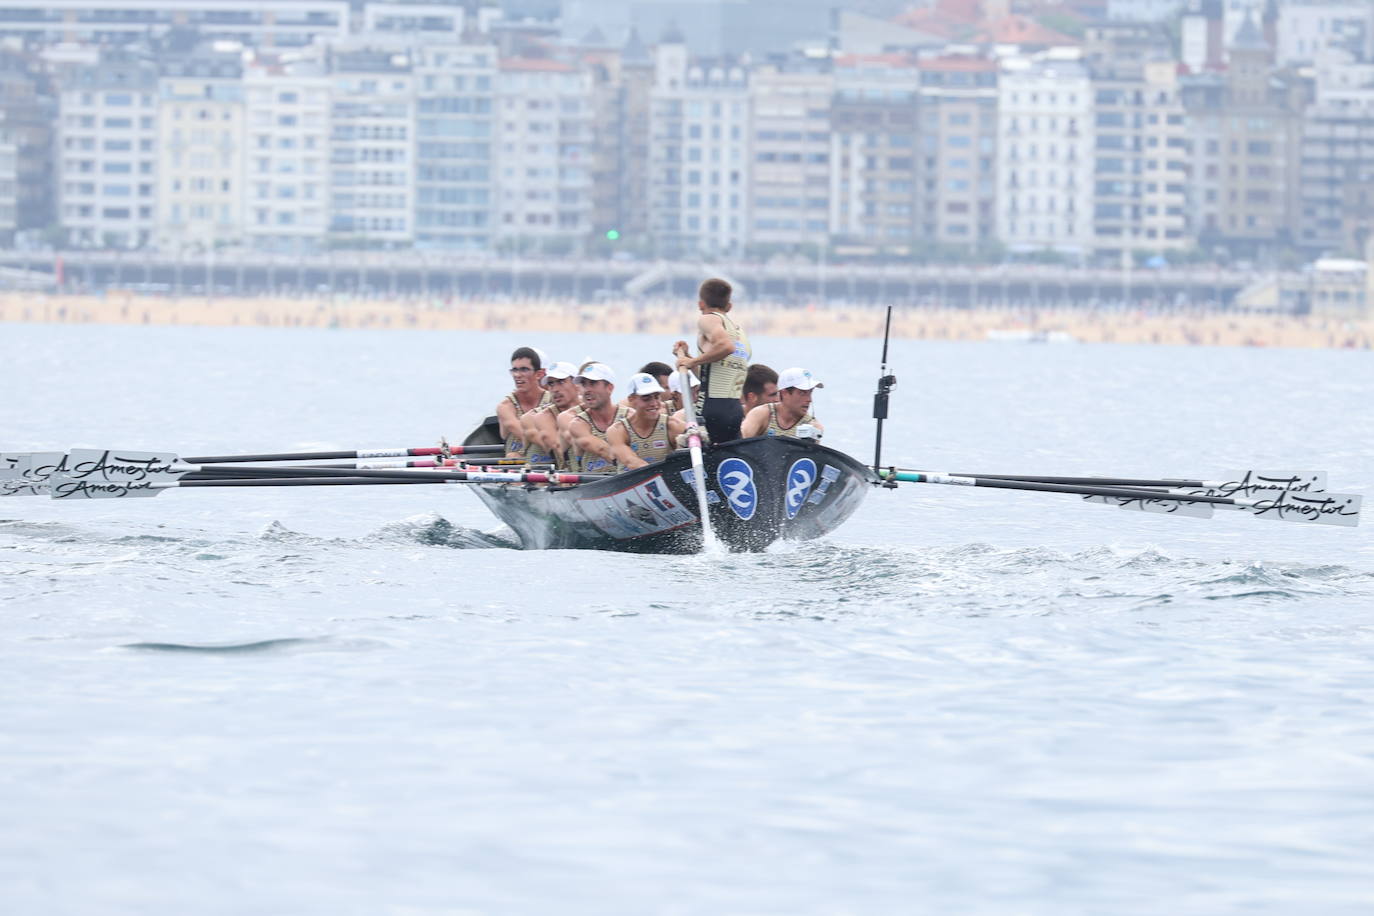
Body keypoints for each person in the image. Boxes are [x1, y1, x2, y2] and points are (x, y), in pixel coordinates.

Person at [672, 277, 750, 444]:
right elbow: (713, 374)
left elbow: (726, 346)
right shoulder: (738, 332)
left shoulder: (708, 318)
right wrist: (689, 358)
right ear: (729, 306)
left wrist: (692, 362)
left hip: (710, 408)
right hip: (734, 410)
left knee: (697, 453)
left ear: (701, 304)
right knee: (729, 458)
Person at [608, 373, 687, 470]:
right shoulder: (617, 431)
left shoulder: (673, 425)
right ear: (631, 399)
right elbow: (631, 461)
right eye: (646, 398)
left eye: (656, 397)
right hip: (632, 481)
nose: (654, 404)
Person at [566, 361, 629, 473]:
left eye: (593, 383)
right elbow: (602, 450)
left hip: (626, 477)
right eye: (584, 384)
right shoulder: (577, 424)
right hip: (592, 484)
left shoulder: (629, 416)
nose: (586, 390)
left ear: (609, 388)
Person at [521, 361, 579, 466]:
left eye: (561, 382)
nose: (555, 389)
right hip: (545, 474)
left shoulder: (591, 409)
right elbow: (557, 447)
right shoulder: (535, 417)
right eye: (551, 384)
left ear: (577, 384)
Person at [741, 367, 825, 439]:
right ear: (784, 393)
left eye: (810, 392)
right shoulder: (761, 414)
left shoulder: (814, 426)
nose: (809, 399)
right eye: (802, 393)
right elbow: (739, 442)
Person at [497, 346, 549, 458]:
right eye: (514, 370)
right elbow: (525, 434)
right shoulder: (505, 407)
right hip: (518, 464)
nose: (517, 375)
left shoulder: (552, 400)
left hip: (550, 461)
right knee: (512, 456)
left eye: (524, 370)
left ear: (539, 374)